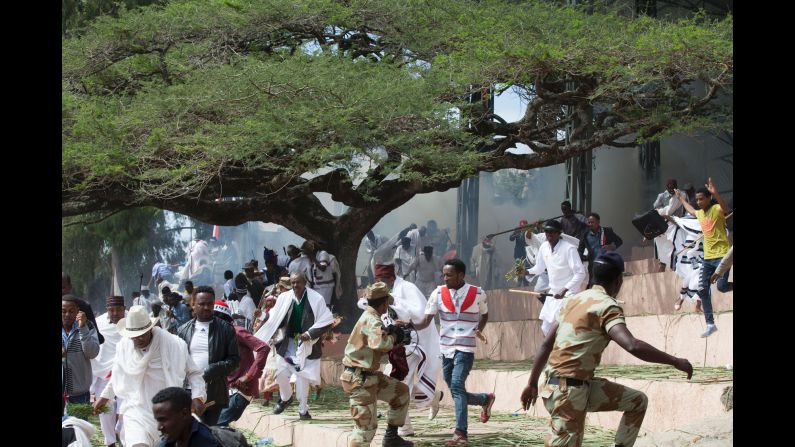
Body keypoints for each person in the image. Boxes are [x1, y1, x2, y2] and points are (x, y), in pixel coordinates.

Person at [520, 252, 694, 447]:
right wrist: (675, 361)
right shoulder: (607, 306)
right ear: (619, 281)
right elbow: (632, 345)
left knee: (637, 401)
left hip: (573, 386)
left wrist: (532, 382)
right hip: (567, 391)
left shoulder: (572, 301)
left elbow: (546, 345)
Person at [93, 305, 207, 447]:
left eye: (143, 334)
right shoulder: (123, 347)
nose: (139, 339)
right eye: (135, 336)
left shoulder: (174, 344)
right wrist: (104, 398)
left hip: (168, 412)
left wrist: (198, 396)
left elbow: (194, 372)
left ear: (150, 329)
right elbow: (117, 376)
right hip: (136, 410)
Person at [412, 259, 495, 446]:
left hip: (465, 348)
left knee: (457, 385)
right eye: (444, 274)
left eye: (449, 274)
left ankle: (460, 433)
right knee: (455, 388)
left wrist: (479, 329)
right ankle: (485, 399)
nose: (445, 278)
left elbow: (485, 314)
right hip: (446, 348)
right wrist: (409, 325)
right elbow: (426, 321)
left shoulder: (478, 293)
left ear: (460, 275)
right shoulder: (438, 293)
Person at [363, 264, 443, 436]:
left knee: (398, 384)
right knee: (393, 384)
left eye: (382, 281)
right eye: (377, 281)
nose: (379, 285)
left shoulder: (407, 288)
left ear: (391, 278)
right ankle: (432, 396)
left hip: (416, 344)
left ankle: (404, 428)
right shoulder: (384, 291)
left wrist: (394, 301)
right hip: (397, 345)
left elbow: (420, 315)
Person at [253, 273, 334, 420]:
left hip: (307, 344)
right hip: (288, 342)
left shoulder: (316, 299)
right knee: (281, 374)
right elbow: (275, 316)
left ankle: (303, 410)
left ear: (305, 283)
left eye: (298, 282)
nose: (295, 285)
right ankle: (285, 398)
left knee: (302, 378)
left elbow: (327, 320)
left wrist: (309, 334)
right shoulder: (285, 298)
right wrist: (261, 316)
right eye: (293, 283)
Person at [341, 282, 413, 447]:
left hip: (369, 377)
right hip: (359, 380)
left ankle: (391, 438)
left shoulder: (372, 317)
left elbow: (376, 337)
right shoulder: (372, 320)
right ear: (385, 302)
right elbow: (379, 344)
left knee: (401, 393)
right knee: (365, 429)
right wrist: (396, 337)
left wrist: (391, 329)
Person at [676, 178, 733, 337]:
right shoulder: (699, 213)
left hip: (722, 255)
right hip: (707, 258)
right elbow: (691, 211)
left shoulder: (716, 209)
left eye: (702, 199)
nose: (699, 202)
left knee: (721, 287)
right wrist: (681, 199)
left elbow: (725, 208)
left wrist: (716, 193)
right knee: (702, 289)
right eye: (697, 199)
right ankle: (710, 324)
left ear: (708, 198)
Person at [177, 287, 240, 426]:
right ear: (193, 305)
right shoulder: (182, 331)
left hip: (214, 392)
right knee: (188, 432)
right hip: (188, 391)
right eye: (201, 304)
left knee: (208, 433)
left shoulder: (226, 329)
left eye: (210, 304)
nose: (206, 307)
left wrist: (210, 371)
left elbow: (234, 361)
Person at [523, 220, 587, 336]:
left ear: (559, 233)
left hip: (569, 295)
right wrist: (526, 271)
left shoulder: (569, 249)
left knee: (563, 331)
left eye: (552, 232)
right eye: (547, 231)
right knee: (546, 331)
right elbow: (539, 268)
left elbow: (580, 273)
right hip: (553, 295)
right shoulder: (543, 247)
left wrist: (565, 289)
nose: (549, 234)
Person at [211, 301, 270, 427]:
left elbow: (263, 348)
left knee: (213, 428)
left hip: (240, 391)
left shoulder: (237, 332)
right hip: (224, 392)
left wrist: (248, 376)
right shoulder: (215, 338)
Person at [152, 387, 249, 447]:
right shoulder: (166, 443)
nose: (159, 427)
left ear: (184, 414)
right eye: (158, 420)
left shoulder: (216, 442)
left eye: (163, 420)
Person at [90, 296, 126, 446]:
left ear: (125, 309)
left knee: (126, 411)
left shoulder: (134, 320)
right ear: (107, 310)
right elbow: (93, 349)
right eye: (112, 310)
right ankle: (110, 442)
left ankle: (124, 437)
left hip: (126, 373)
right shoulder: (98, 323)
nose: (116, 313)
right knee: (106, 411)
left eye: (119, 309)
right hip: (105, 374)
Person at [62, 295, 101, 405]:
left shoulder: (88, 325)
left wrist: (82, 328)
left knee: (79, 423)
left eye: (71, 311)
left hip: (80, 394)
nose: (67, 315)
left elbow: (92, 353)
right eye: (63, 311)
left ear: (78, 312)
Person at [578, 213, 623, 287]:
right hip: (593, 265)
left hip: (606, 264)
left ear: (598, 222)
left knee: (607, 285)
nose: (590, 224)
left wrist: (612, 246)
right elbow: (580, 249)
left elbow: (619, 241)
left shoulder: (607, 231)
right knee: (593, 284)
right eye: (589, 222)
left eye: (592, 222)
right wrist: (580, 261)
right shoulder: (585, 235)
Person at [62, 272, 105, 344]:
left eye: (62, 287)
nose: (67, 315)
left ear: (69, 287)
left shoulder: (83, 306)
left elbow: (97, 338)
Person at [510, 220, 530, 286]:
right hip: (518, 254)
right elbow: (511, 238)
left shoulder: (529, 231)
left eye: (524, 227)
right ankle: (519, 283)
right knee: (519, 269)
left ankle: (526, 283)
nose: (523, 228)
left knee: (527, 268)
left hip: (527, 253)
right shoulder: (517, 231)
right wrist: (515, 234)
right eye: (522, 227)